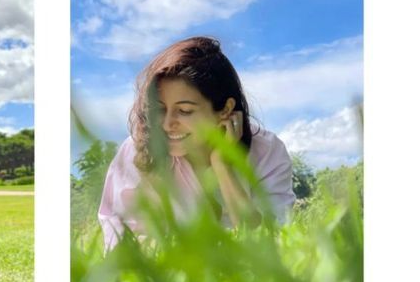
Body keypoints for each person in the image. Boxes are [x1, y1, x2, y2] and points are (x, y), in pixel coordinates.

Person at [98, 36, 296, 250]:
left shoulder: (267, 151)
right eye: (160, 109)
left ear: (226, 109)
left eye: (185, 111)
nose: (167, 124)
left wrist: (223, 165)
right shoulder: (136, 151)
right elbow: (123, 241)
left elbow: (273, 240)